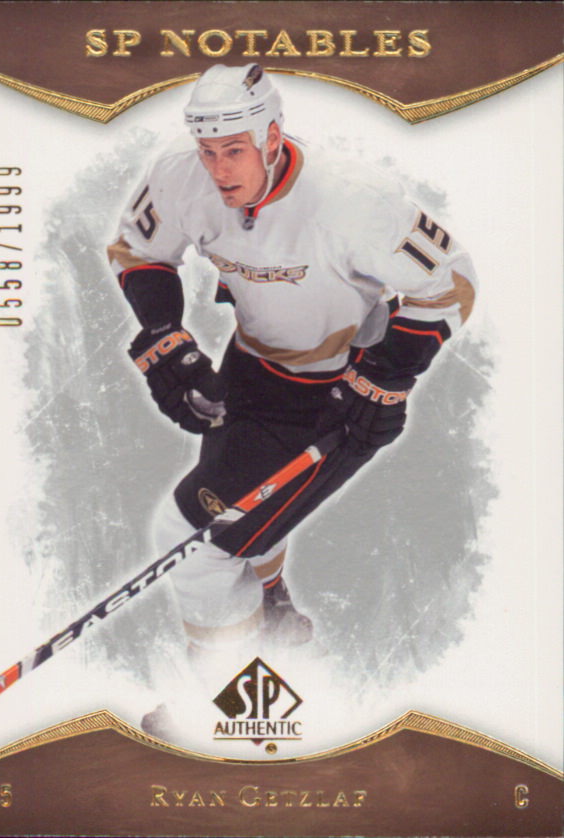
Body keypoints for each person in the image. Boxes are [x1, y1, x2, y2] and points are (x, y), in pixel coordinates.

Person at [107, 64, 477, 723]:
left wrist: (389, 374)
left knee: (195, 543)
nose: (219, 170)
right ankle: (270, 607)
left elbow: (451, 282)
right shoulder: (180, 178)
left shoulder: (354, 200)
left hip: (339, 398)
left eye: (234, 151)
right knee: (240, 511)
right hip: (250, 372)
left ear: (273, 137)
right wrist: (164, 330)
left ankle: (220, 705)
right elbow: (138, 251)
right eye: (208, 151)